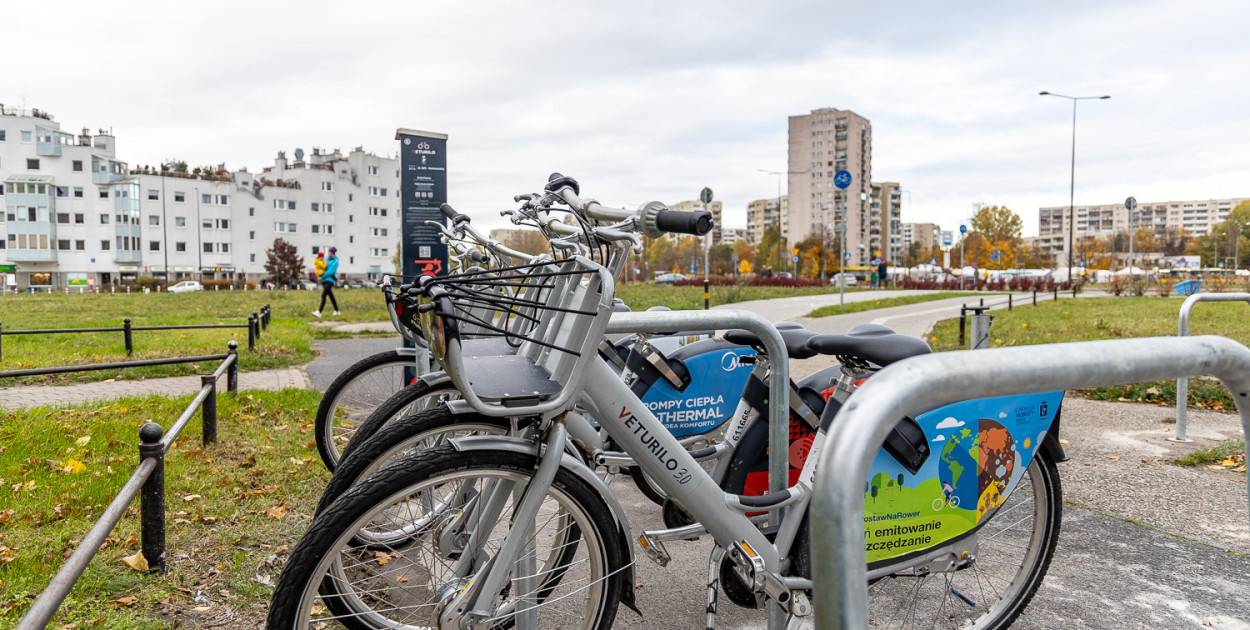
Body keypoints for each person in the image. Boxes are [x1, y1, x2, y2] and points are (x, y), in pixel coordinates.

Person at [312, 247, 340, 318]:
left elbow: (330, 271)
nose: (328, 254)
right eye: (328, 252)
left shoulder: (335, 262)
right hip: (324, 280)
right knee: (331, 296)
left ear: (333, 253)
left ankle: (319, 312)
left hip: (330, 280)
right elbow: (322, 266)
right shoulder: (326, 259)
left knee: (323, 295)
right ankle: (337, 311)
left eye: (330, 253)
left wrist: (322, 276)